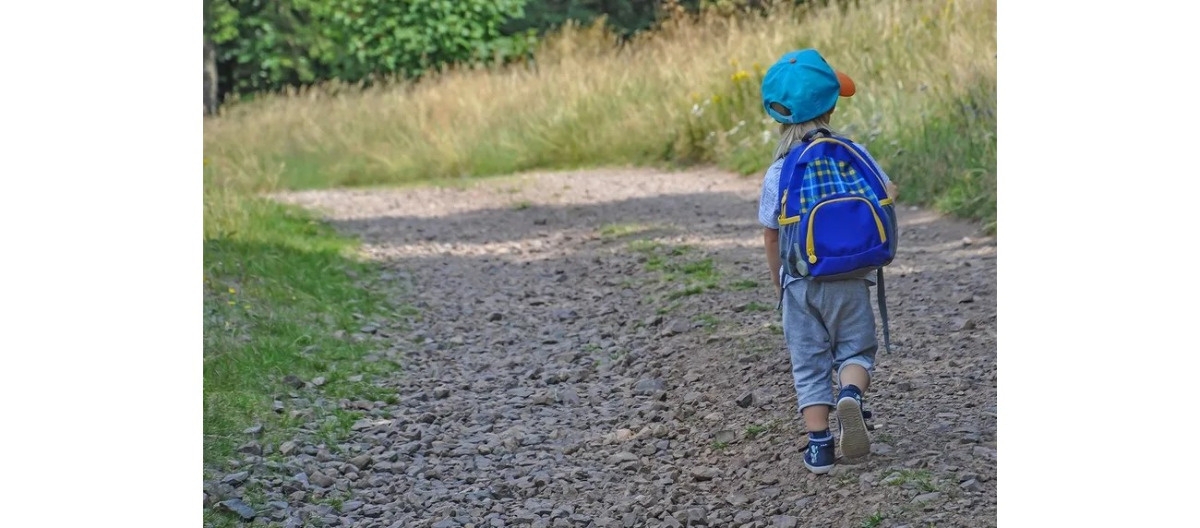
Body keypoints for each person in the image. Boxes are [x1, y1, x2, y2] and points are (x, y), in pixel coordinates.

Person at [756, 48, 899, 474]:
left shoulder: (780, 170)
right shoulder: (854, 151)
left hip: (800, 281)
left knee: (808, 362)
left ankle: (819, 446)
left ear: (778, 115)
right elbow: (886, 191)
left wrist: (779, 282)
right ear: (832, 105)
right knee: (856, 349)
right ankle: (851, 396)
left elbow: (770, 230)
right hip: (852, 277)